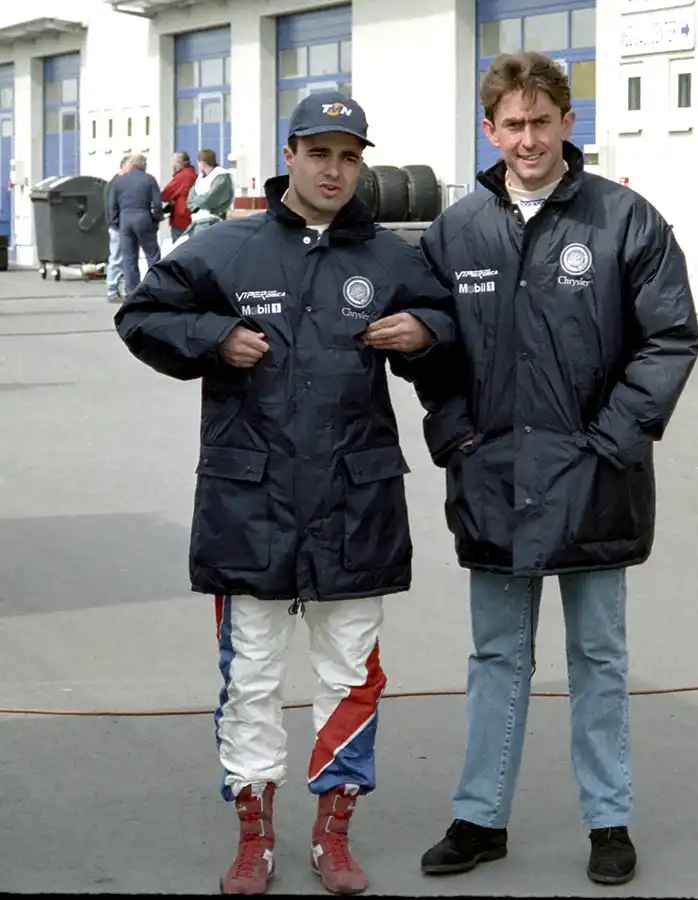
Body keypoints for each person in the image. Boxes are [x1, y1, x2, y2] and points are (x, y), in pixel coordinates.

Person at [113, 91, 457, 897]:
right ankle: (254, 836)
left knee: (351, 674)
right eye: (320, 153)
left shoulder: (390, 258)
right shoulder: (225, 249)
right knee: (252, 678)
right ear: (290, 155)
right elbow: (142, 315)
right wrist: (212, 337)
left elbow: (449, 324)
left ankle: (334, 833)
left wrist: (426, 332)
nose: (334, 170)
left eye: (350, 156)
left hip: (355, 502)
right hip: (250, 504)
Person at [413, 51, 698, 886]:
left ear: (570, 123)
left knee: (599, 657)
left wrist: (610, 443)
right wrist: (457, 437)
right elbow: (432, 349)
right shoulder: (456, 232)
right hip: (494, 481)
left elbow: (668, 340)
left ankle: (608, 821)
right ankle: (480, 817)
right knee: (496, 656)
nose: (529, 139)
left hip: (597, 481)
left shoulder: (625, 221)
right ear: (489, 130)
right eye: (513, 124)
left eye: (543, 122)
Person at [106, 152, 164, 295]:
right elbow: (157, 204)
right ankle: (156, 288)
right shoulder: (149, 179)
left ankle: (132, 291)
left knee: (129, 258)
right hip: (143, 218)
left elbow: (112, 205)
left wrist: (116, 223)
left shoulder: (119, 181)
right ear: (141, 165)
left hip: (125, 220)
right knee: (152, 255)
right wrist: (155, 220)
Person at [184, 148, 235, 238]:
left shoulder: (221, 177)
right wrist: (199, 202)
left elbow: (209, 200)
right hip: (197, 222)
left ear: (202, 163)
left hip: (211, 222)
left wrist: (197, 201)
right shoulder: (200, 178)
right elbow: (190, 199)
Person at [103, 155, 131, 302]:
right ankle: (112, 290)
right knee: (117, 257)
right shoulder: (116, 183)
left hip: (119, 225)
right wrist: (116, 223)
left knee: (121, 257)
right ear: (125, 166)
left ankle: (119, 289)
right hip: (117, 226)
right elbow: (111, 206)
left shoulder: (116, 182)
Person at [161, 150, 197, 242]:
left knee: (178, 246)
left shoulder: (182, 176)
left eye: (174, 162)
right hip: (192, 216)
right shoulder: (194, 174)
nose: (172, 165)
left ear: (180, 163)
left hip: (181, 218)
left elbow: (165, 195)